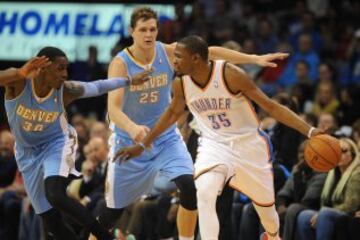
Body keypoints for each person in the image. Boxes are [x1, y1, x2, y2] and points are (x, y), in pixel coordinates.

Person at [97, 6, 289, 240]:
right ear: (131, 31)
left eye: (153, 29)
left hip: (165, 136)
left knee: (190, 188)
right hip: (129, 138)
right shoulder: (121, 63)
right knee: (112, 212)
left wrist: (253, 59)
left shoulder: (166, 52)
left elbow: (210, 52)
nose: (148, 34)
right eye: (143, 30)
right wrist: (133, 128)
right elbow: (113, 109)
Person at [116, 35, 323, 240]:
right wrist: (143, 144)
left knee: (266, 210)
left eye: (179, 57)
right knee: (204, 192)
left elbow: (270, 106)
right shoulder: (181, 83)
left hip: (248, 144)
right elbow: (171, 114)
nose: (174, 61)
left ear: (196, 58)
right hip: (214, 144)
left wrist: (310, 131)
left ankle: (273, 235)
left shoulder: (230, 74)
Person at [0, 47, 152, 240]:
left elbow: (97, 86)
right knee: (51, 222)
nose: (64, 74)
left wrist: (129, 80)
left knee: (54, 193)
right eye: (59, 68)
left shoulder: (66, 91)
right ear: (43, 68)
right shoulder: (19, 82)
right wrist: (20, 72)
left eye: (66, 68)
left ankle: (104, 237)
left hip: (55, 143)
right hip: (26, 151)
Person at [296, 137, 360, 240]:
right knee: (304, 216)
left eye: (343, 151)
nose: (339, 155)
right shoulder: (332, 173)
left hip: (349, 215)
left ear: (353, 155)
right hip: (330, 211)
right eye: (337, 151)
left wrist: (322, 213)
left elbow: (351, 205)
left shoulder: (357, 174)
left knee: (325, 213)